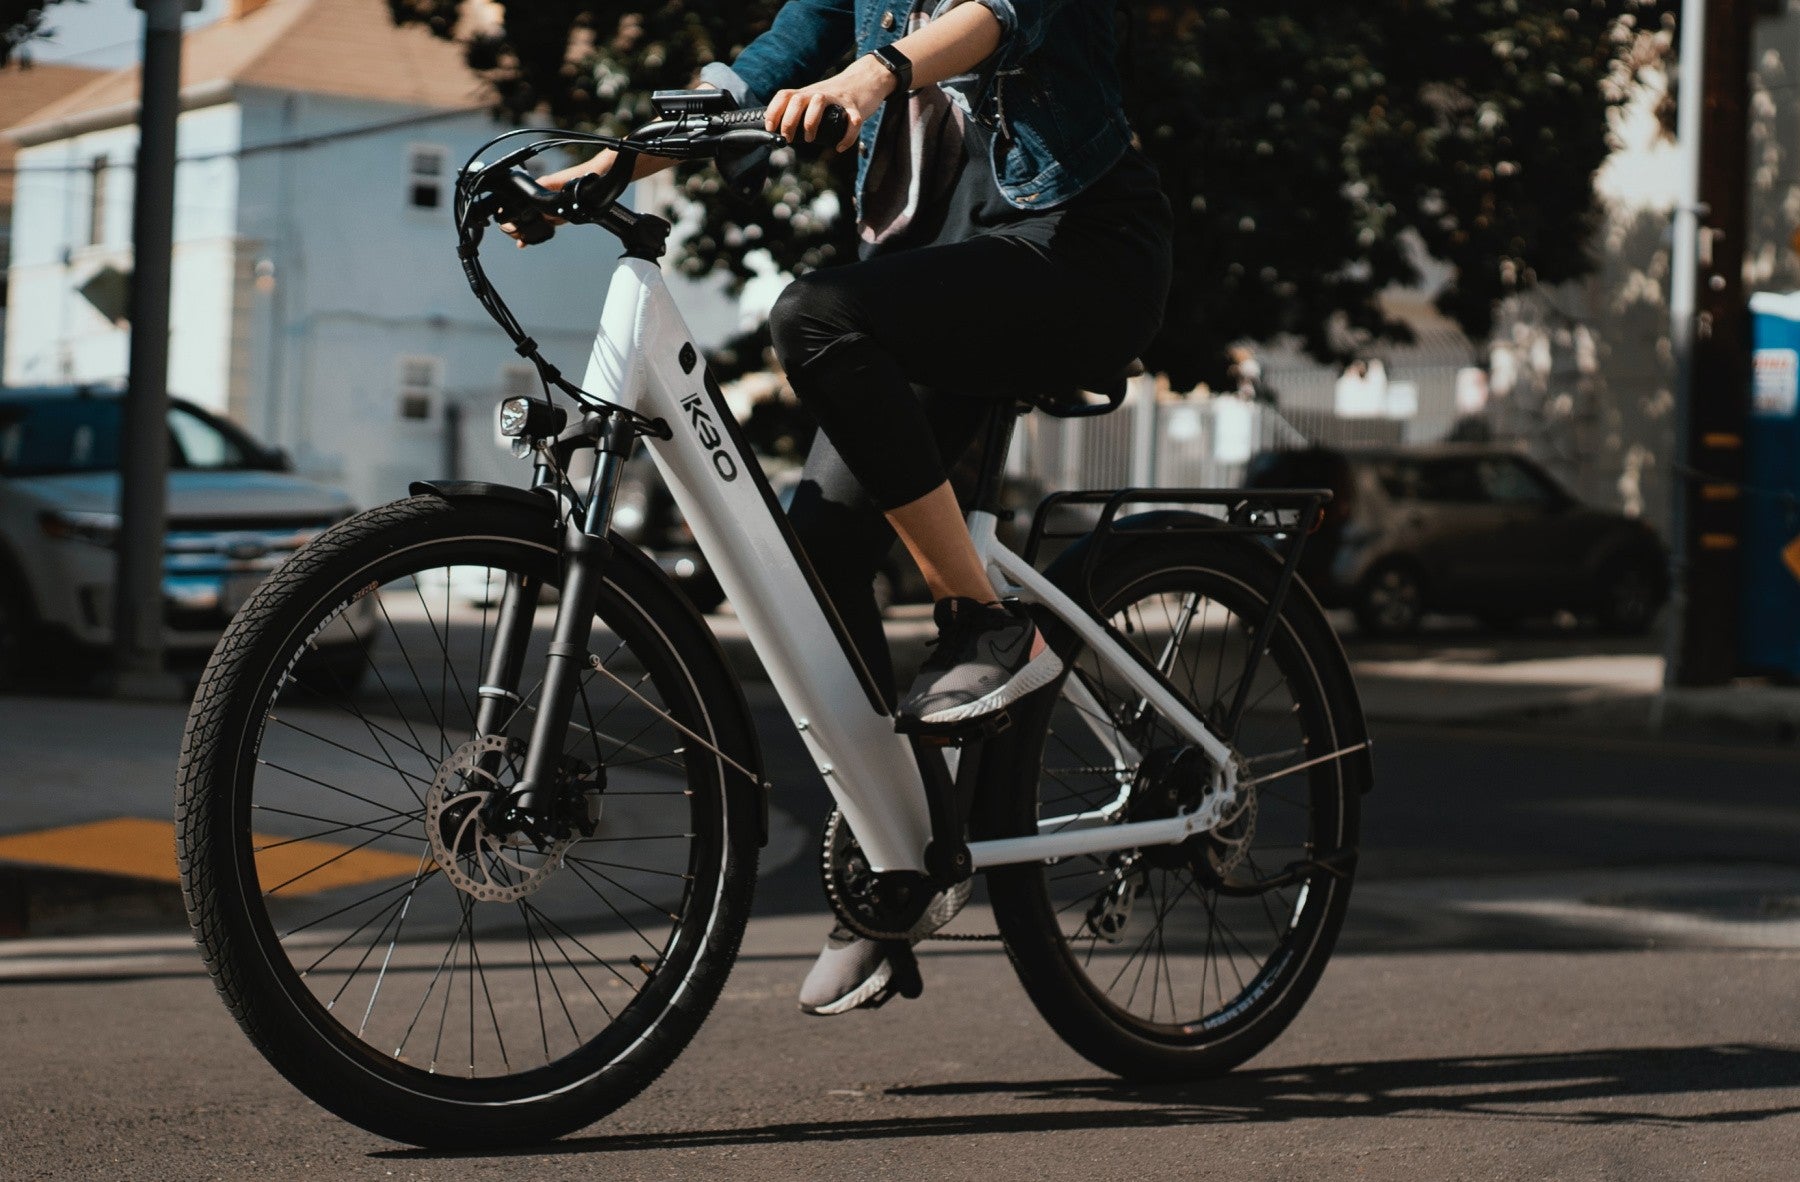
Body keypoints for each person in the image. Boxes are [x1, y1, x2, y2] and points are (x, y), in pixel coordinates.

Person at [512, 1, 1173, 1015]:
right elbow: (771, 58)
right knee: (817, 548)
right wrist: (607, 168)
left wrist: (874, 78)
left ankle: (985, 622)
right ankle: (906, 862)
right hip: (935, 271)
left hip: (1075, 249)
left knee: (814, 315)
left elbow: (1002, 13)